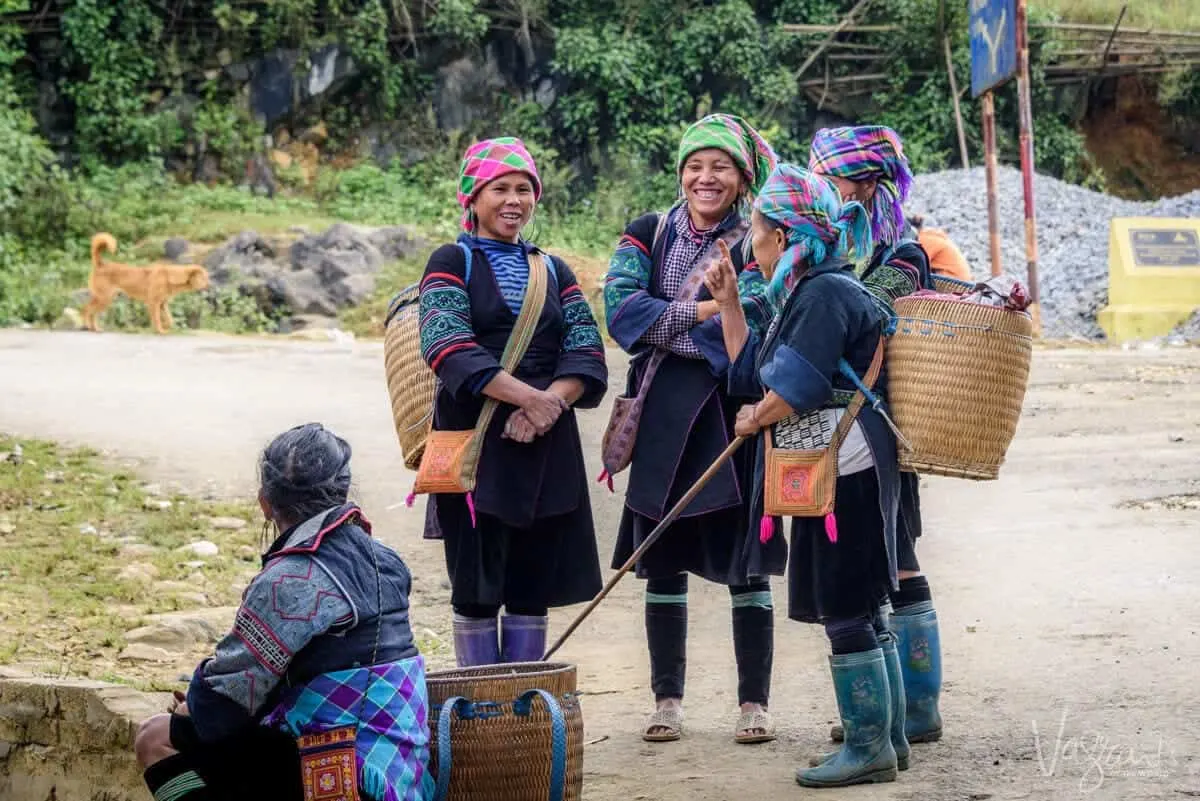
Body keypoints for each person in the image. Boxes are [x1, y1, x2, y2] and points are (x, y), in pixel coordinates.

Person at [704, 164, 903, 787]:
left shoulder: (822, 293)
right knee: (865, 605)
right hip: (845, 468)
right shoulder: (811, 289)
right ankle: (888, 738)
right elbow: (750, 370)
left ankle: (870, 747)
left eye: (757, 234)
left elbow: (796, 387)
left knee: (846, 605)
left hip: (845, 470)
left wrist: (753, 420)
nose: (749, 247)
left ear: (786, 236)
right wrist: (732, 303)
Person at [133, 423, 433, 801]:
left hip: (341, 775)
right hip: (399, 774)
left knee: (156, 738)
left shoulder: (288, 580)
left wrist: (191, 708)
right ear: (343, 492)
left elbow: (224, 702)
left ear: (264, 501)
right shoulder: (387, 562)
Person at [603, 113, 782, 744]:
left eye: (721, 167)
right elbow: (621, 313)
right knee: (661, 562)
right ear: (681, 172)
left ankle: (753, 704)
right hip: (660, 414)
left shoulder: (762, 237)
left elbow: (758, 319)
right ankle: (667, 701)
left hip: (732, 410)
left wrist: (677, 320)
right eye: (695, 166)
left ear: (741, 177)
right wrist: (708, 308)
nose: (705, 179)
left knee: (745, 564)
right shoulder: (646, 233)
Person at [418, 137, 608, 667]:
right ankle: (481, 716)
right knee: (476, 588)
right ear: (472, 198)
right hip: (478, 449)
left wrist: (548, 405)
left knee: (531, 588)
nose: (514, 200)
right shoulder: (451, 261)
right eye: (499, 188)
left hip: (545, 452)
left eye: (524, 189)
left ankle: (522, 710)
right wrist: (532, 400)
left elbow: (588, 353)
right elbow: (446, 345)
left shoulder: (554, 271)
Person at [809, 126, 944, 746]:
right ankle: (898, 713)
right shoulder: (850, 245)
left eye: (828, 177)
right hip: (855, 422)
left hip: (879, 424)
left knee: (896, 558)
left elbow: (858, 317)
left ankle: (913, 714)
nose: (820, 188)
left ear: (863, 183)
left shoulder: (902, 252)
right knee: (888, 558)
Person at [909, 214, 972, 281]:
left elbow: (916, 262)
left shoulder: (926, 238)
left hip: (952, 282)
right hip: (961, 282)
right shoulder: (936, 237)